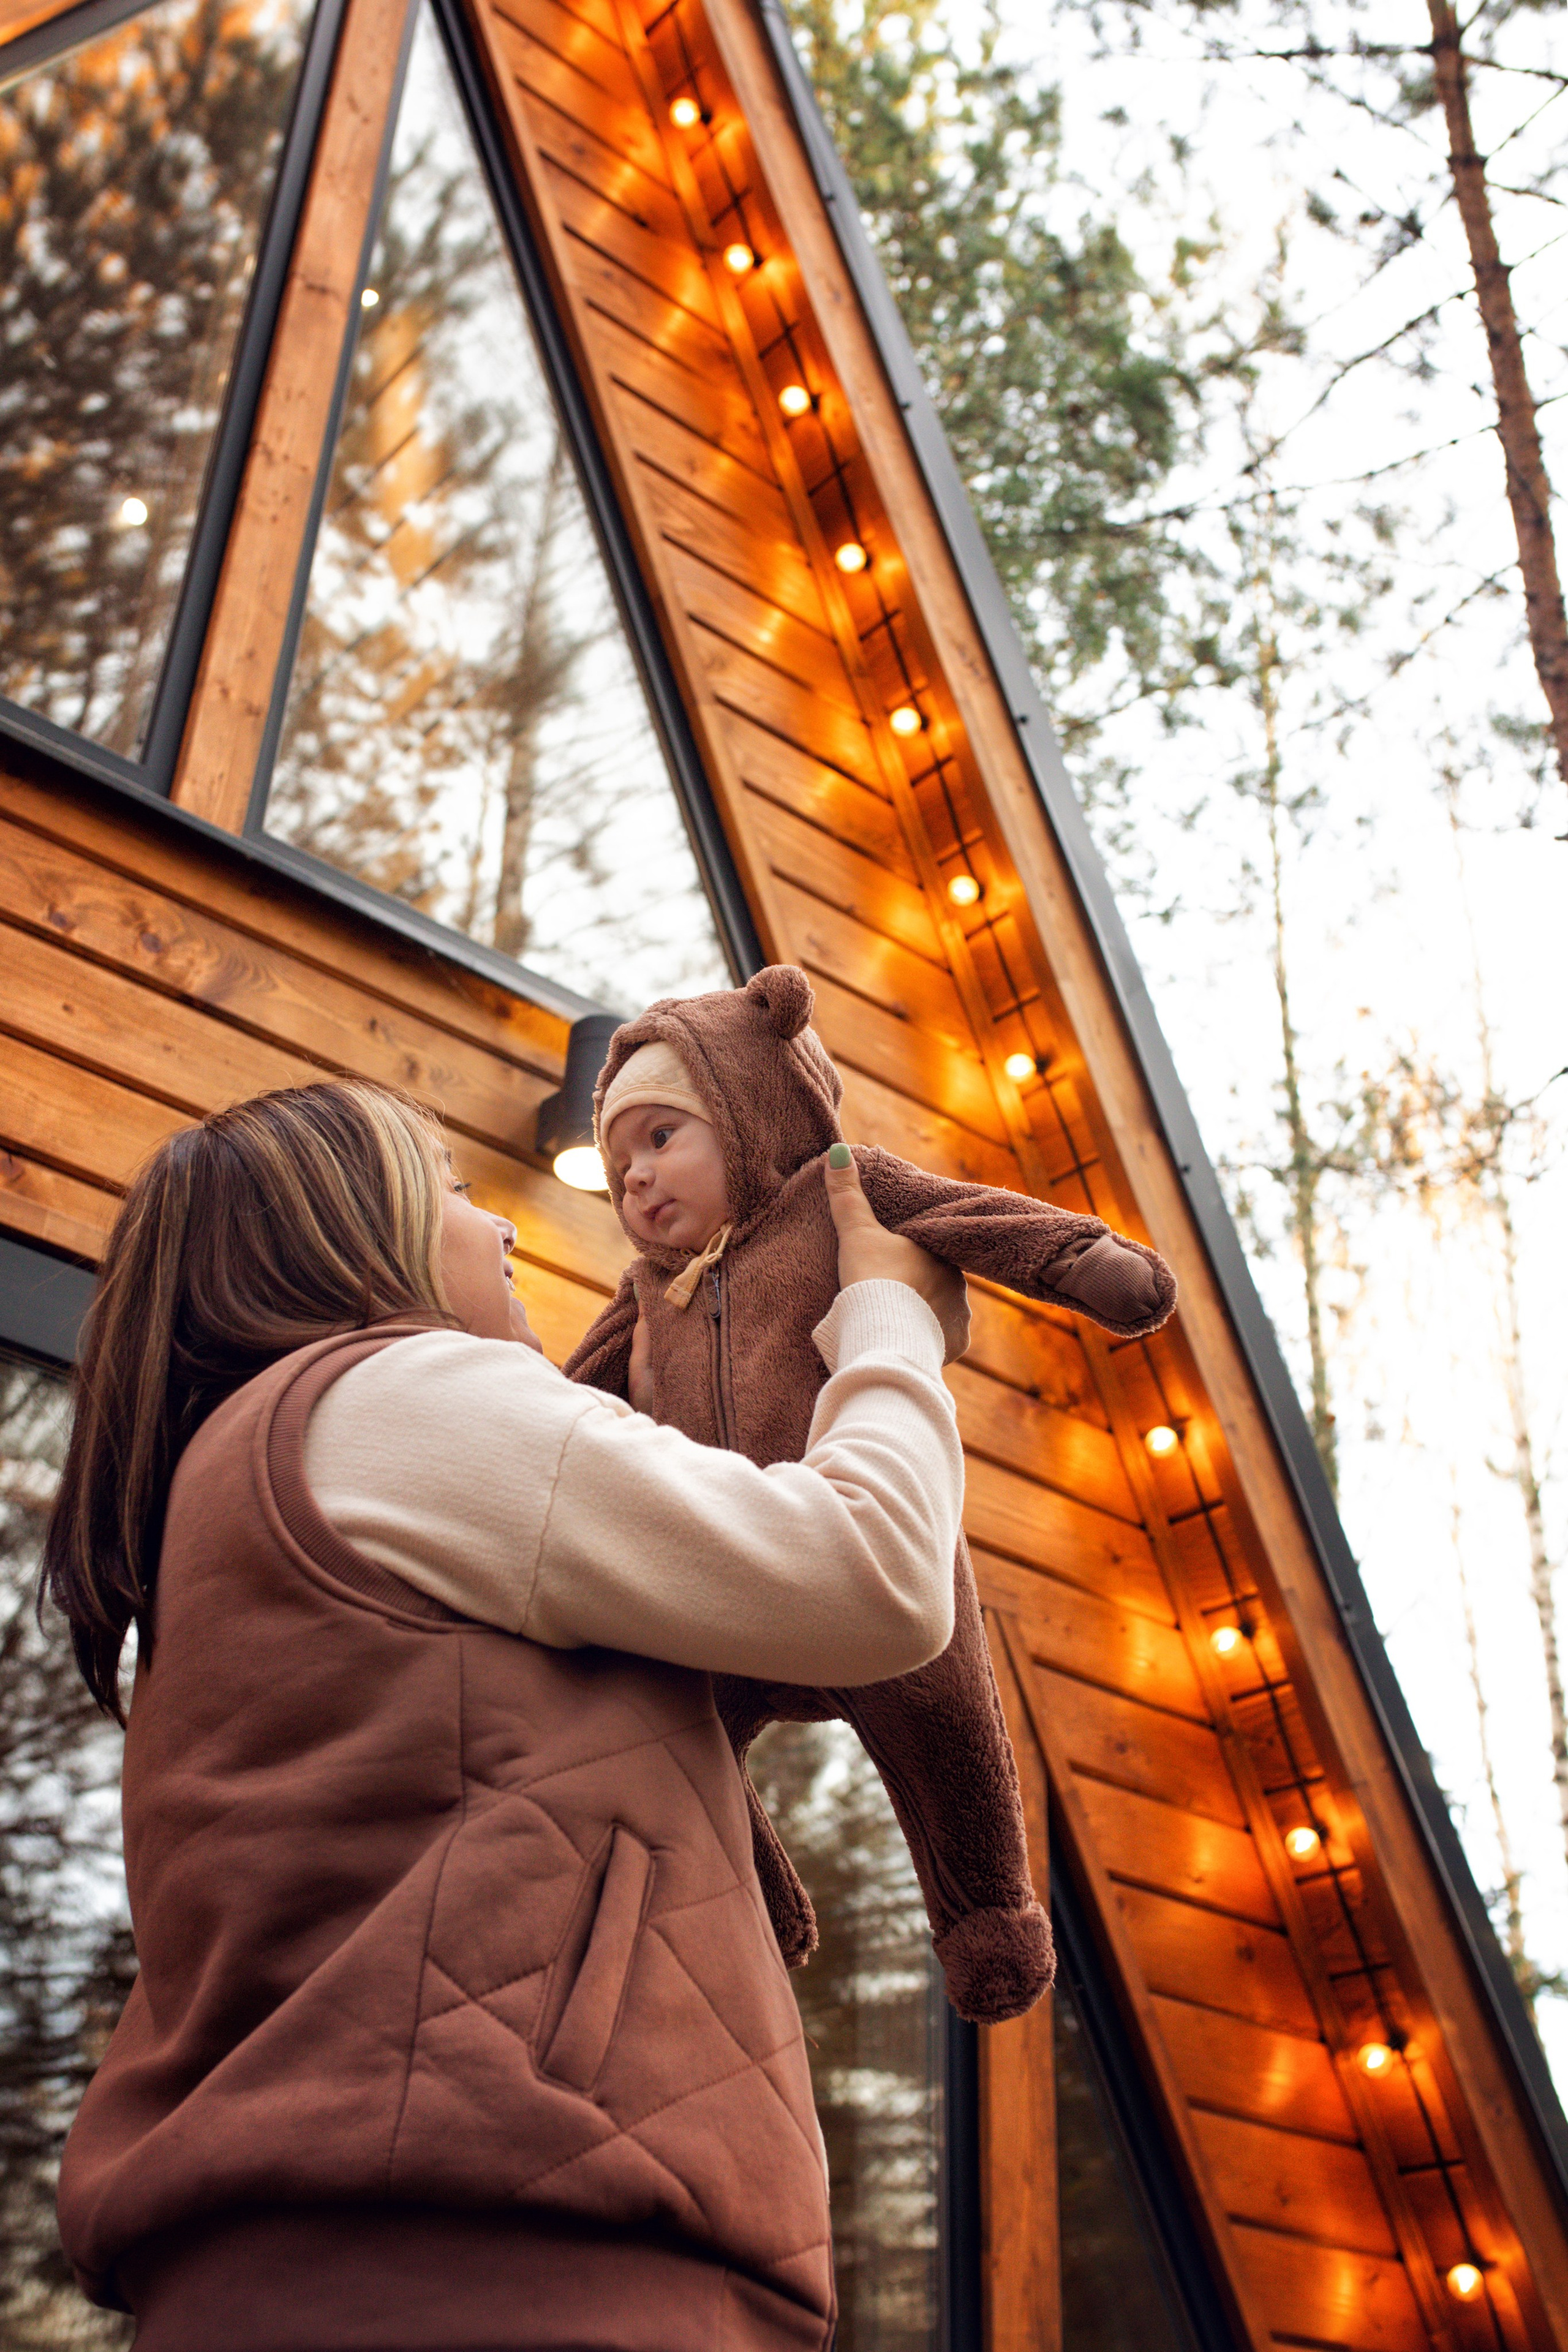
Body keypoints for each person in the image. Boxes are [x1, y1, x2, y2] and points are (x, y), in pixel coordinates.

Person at [42, 1076, 969, 2352]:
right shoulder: (401, 1400)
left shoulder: (232, 1491)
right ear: (347, 1232)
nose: (506, 1227)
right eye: (459, 1191)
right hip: (524, 2257)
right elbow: (873, 1576)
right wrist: (888, 1320)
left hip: (310, 2264)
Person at [566, 966, 1177, 2026]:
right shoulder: (644, 1298)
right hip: (727, 1585)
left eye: (662, 1136)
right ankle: (745, 1885)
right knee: (664, 1726)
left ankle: (987, 1913)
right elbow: (562, 1401)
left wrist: (1082, 1258)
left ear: (754, 1105)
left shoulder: (838, 1193)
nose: (637, 1179)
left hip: (871, 1550)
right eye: (620, 1167)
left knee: (951, 1730)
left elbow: (974, 1219)